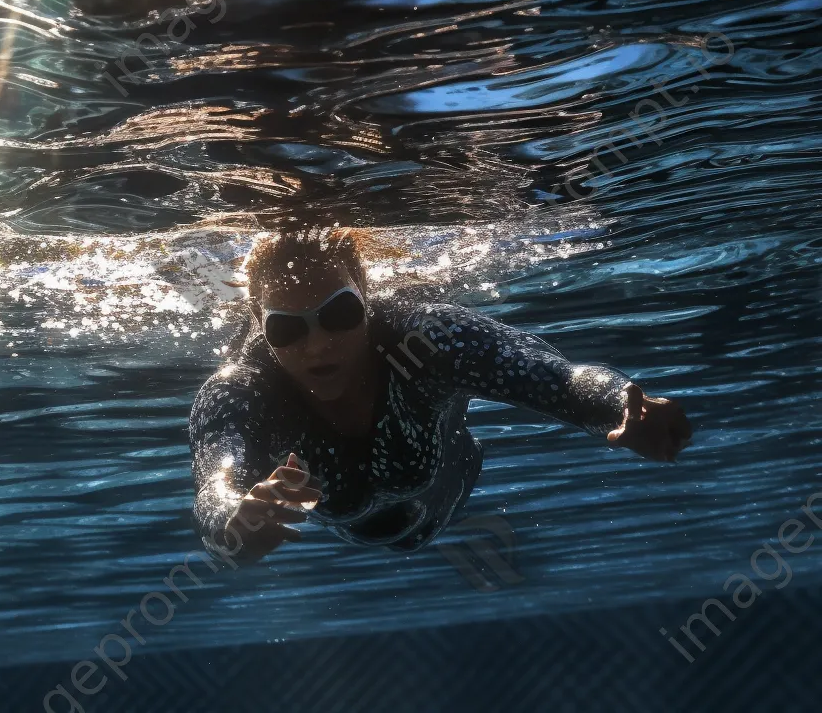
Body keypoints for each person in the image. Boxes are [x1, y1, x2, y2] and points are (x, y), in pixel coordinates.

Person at [188, 227, 692, 564]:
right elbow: (217, 479)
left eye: (340, 314)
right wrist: (234, 517)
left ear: (366, 293)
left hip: (453, 482)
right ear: (257, 323)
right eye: (286, 328)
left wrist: (617, 403)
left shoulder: (428, 341)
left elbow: (557, 379)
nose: (318, 343)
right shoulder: (244, 388)